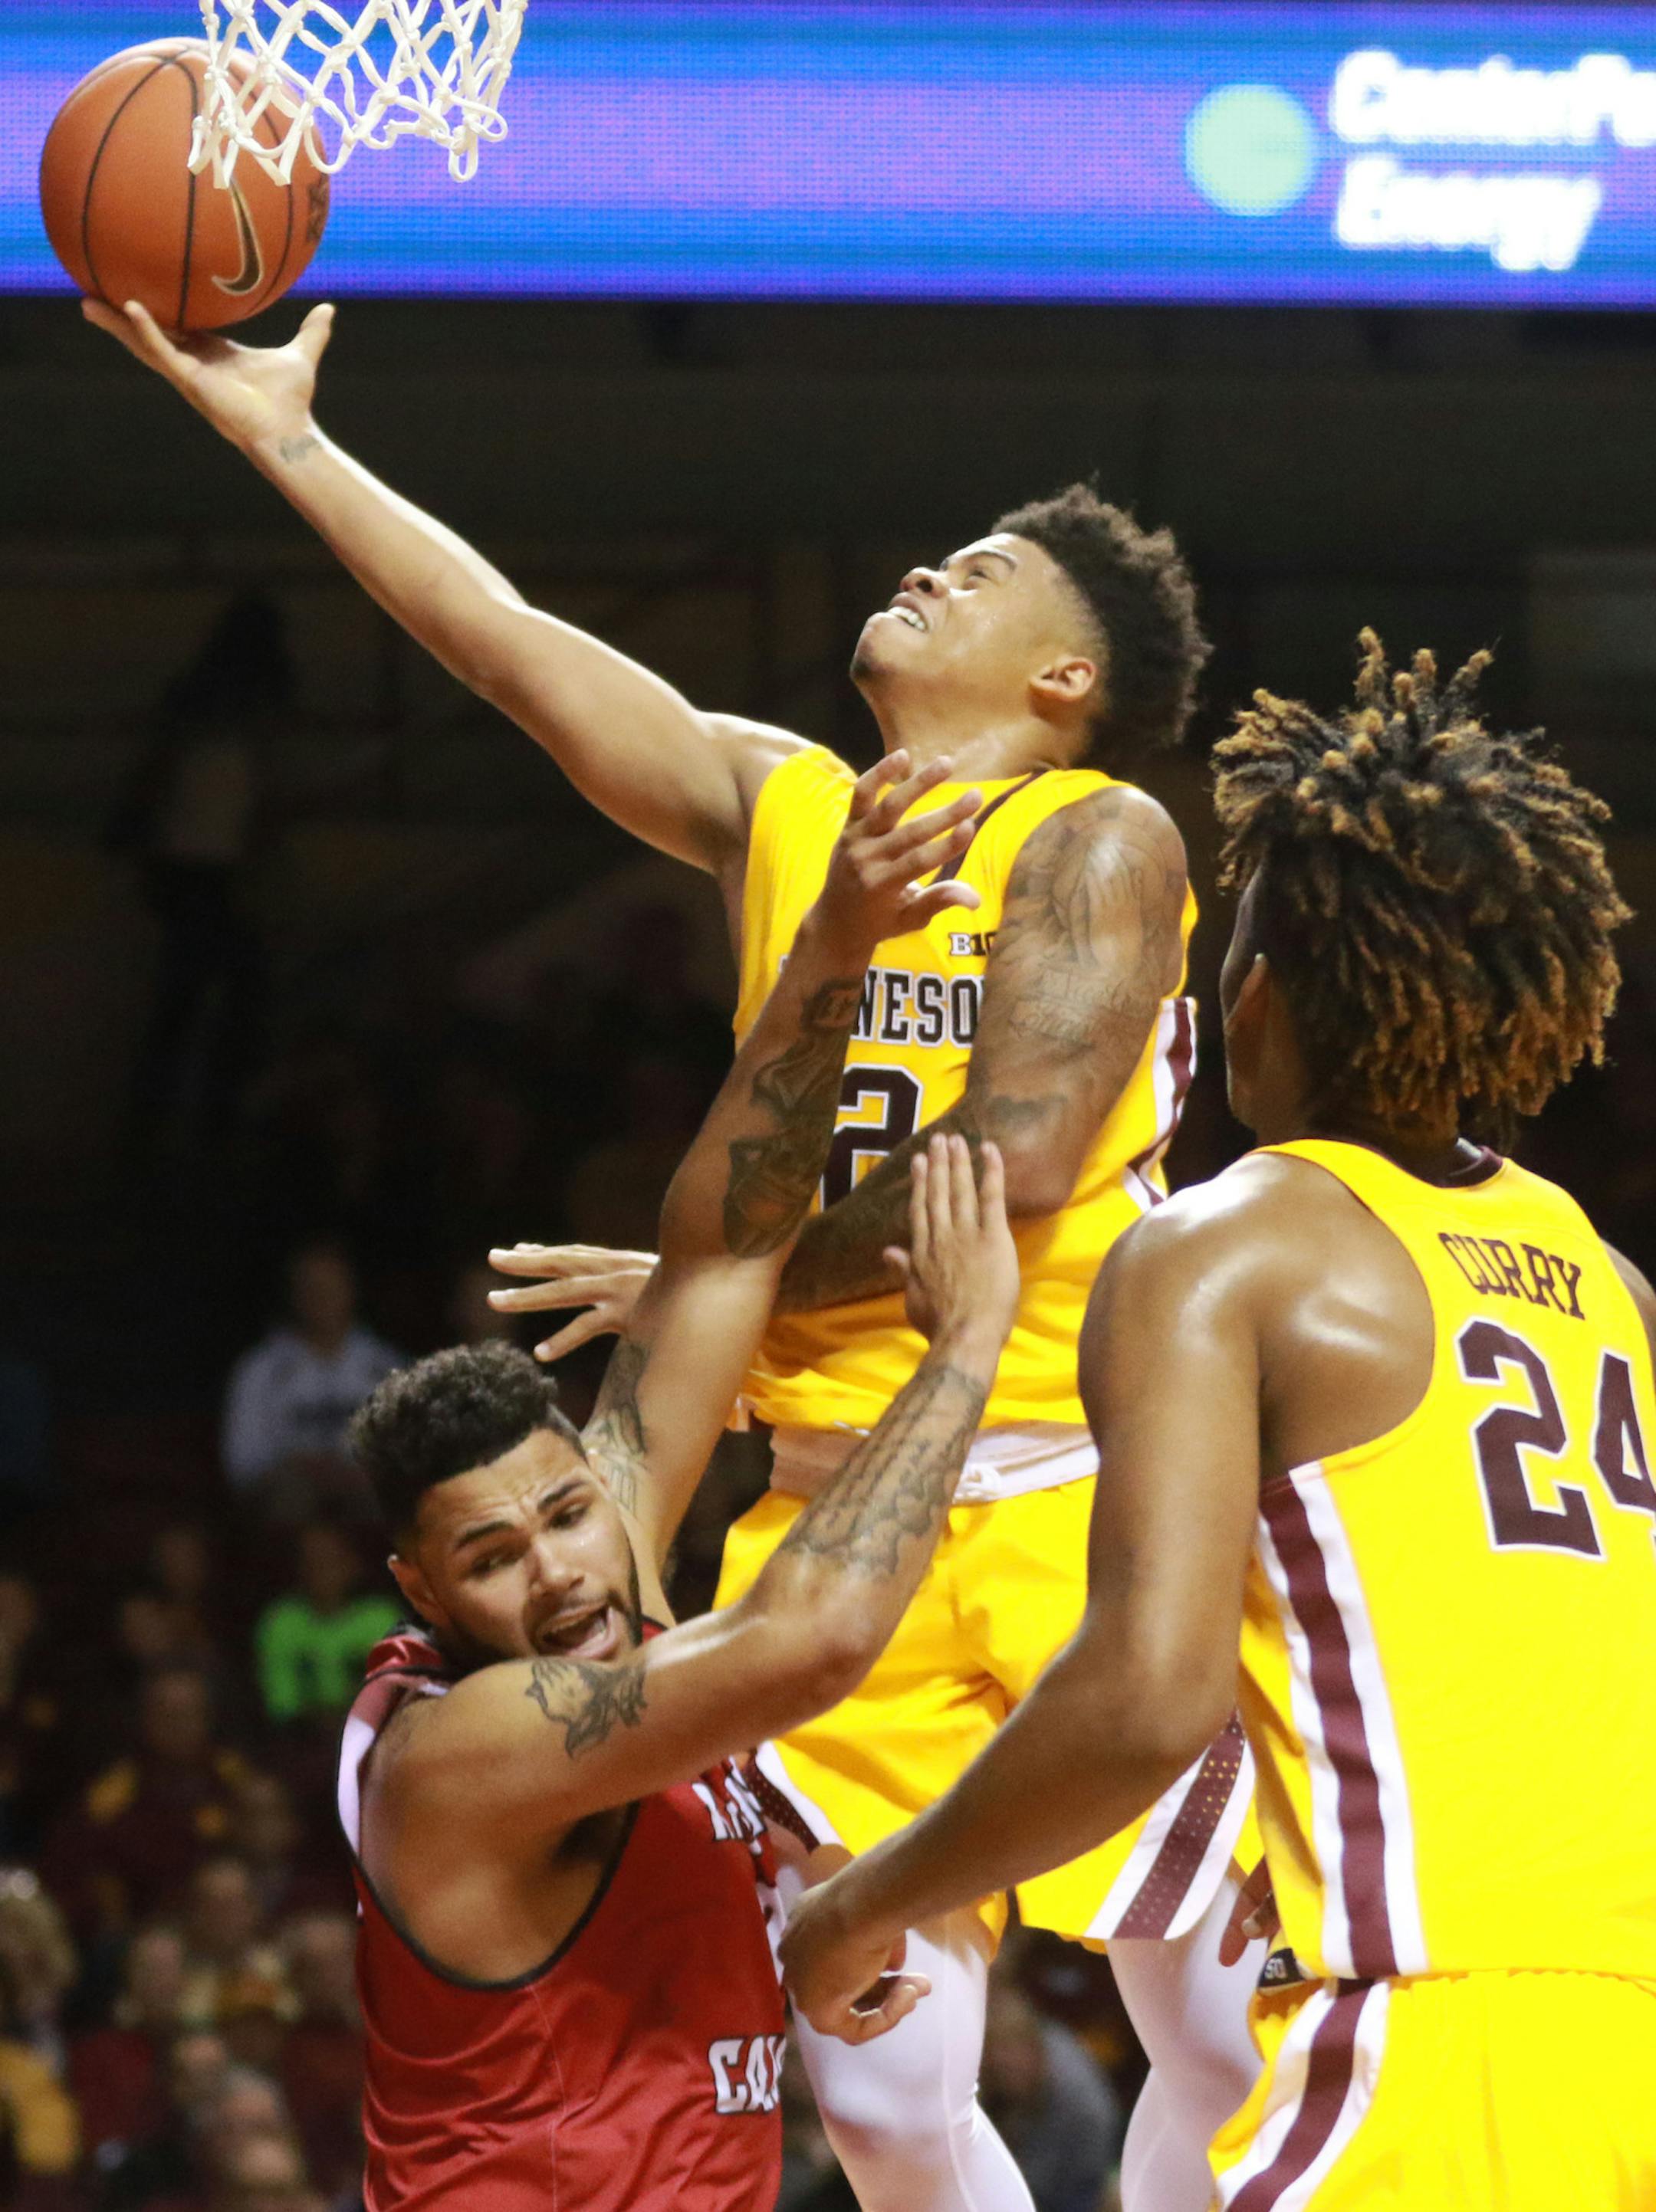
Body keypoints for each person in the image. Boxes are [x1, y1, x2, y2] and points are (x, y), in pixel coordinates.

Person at [87, 293, 1257, 2212]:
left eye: (972, 575)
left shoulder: (1092, 830)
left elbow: (1019, 1149)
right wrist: (285, 445)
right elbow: (511, 658)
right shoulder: (787, 806)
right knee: (880, 2094)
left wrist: (726, 1277)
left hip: (1074, 1486)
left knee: (1205, 2026)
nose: (918, 572)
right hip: (830, 1502)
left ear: (1061, 680)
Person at [780, 635, 1656, 2207]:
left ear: (1252, 991)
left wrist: (864, 1905)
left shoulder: (1223, 1245)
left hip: (1433, 2055)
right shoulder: (1611, 1287)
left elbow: (1142, 1696)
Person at [339, 757, 1021, 2209]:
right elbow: (811, 1642)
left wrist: (832, 945)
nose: (563, 1572)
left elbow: (723, 1252)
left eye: (569, 1512)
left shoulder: (601, 1569)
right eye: (494, 1558)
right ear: (422, 1591)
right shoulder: (459, 1759)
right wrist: (960, 1352)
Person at [221, 1242, 402, 1519]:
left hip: (366, 1497)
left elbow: (409, 1458)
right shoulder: (260, 1369)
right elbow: (244, 1465)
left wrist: (351, 1473)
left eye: (331, 1286)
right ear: (293, 1294)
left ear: (352, 1290)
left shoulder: (386, 1365)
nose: (322, 1297)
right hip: (290, 1502)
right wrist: (306, 1469)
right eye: (311, 1287)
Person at [255, 1524, 398, 1728]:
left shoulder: (381, 1618)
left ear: (353, 1563)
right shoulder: (281, 1622)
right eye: (312, 1561)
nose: (322, 1570)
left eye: (331, 1560)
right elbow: (281, 1708)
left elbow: (396, 1697)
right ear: (299, 1568)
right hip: (303, 1742)